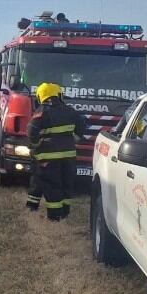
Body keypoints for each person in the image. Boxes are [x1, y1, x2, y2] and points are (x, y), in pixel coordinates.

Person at [26, 82, 86, 221]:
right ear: (58, 95)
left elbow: (31, 131)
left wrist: (35, 144)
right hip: (69, 157)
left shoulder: (42, 112)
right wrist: (74, 140)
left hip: (48, 158)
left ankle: (54, 217)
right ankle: (65, 212)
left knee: (52, 185)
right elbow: (82, 126)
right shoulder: (70, 110)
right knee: (67, 183)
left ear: (41, 96)